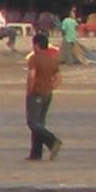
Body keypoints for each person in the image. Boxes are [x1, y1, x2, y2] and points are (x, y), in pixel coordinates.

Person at [24, 28, 64, 160]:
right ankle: (36, 153)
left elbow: (32, 76)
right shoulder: (51, 59)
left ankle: (52, 141)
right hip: (47, 94)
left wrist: (29, 91)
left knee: (33, 123)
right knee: (39, 123)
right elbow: (58, 77)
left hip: (37, 93)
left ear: (36, 45)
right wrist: (51, 87)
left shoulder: (34, 59)